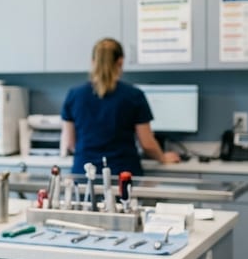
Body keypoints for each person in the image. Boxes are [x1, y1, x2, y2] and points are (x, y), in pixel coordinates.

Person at [61, 37, 181, 176]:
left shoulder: (74, 95)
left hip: (85, 174)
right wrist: (163, 158)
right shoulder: (134, 95)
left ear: (93, 62)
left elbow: (69, 143)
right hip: (122, 175)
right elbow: (147, 144)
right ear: (120, 62)